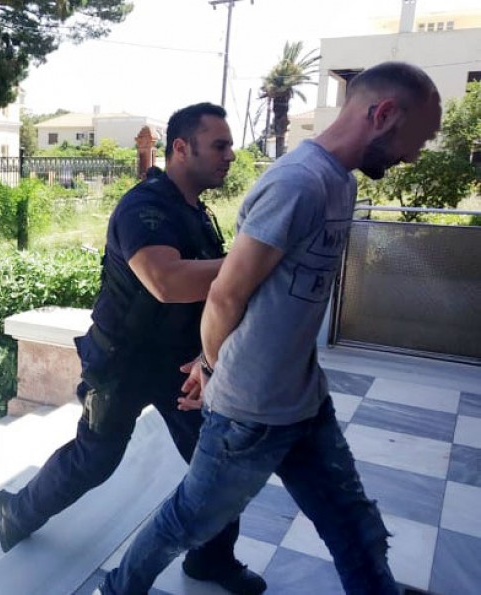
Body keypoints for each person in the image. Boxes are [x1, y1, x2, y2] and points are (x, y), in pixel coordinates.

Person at [99, 61, 441, 595]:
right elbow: (226, 293)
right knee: (187, 520)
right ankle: (118, 588)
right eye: (416, 138)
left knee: (352, 524)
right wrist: (214, 367)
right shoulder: (296, 183)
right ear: (384, 114)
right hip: (250, 412)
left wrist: (215, 362)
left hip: (303, 397)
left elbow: (272, 297)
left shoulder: (340, 182)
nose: (413, 154)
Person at [0, 102, 267, 595]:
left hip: (181, 363)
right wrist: (251, 262)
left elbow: (210, 294)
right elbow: (167, 281)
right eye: (220, 145)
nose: (231, 155)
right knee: (96, 458)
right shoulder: (144, 208)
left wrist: (210, 356)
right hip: (121, 361)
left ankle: (212, 560)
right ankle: (18, 511)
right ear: (181, 148)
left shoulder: (197, 212)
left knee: (217, 460)